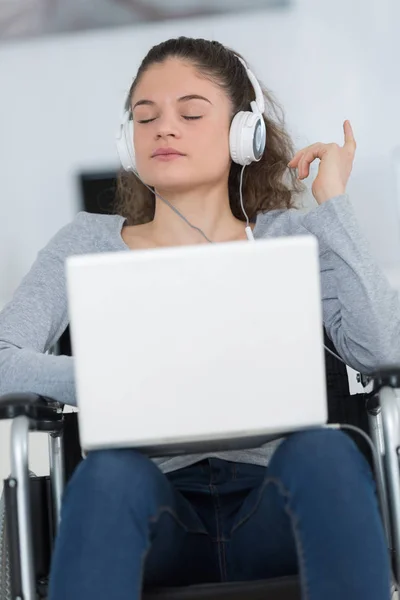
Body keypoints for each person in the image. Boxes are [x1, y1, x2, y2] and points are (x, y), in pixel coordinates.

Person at [0, 36, 399, 600]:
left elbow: (385, 348)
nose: (164, 128)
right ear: (126, 141)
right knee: (107, 474)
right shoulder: (84, 243)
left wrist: (331, 204)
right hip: (152, 514)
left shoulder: (294, 234)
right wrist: (105, 380)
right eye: (145, 118)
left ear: (245, 134)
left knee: (328, 450)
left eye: (190, 113)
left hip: (276, 505)